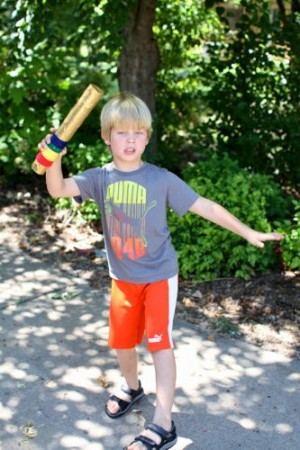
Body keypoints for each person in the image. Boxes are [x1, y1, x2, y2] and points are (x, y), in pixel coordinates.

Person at [38, 91, 283, 450]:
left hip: (158, 277)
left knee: (159, 344)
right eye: (122, 132)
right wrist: (54, 157)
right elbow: (57, 188)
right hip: (122, 279)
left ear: (147, 137)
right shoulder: (98, 178)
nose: (131, 139)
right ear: (107, 136)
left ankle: (163, 422)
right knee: (123, 343)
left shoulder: (161, 179)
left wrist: (248, 231)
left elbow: (206, 207)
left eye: (139, 132)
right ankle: (133, 388)